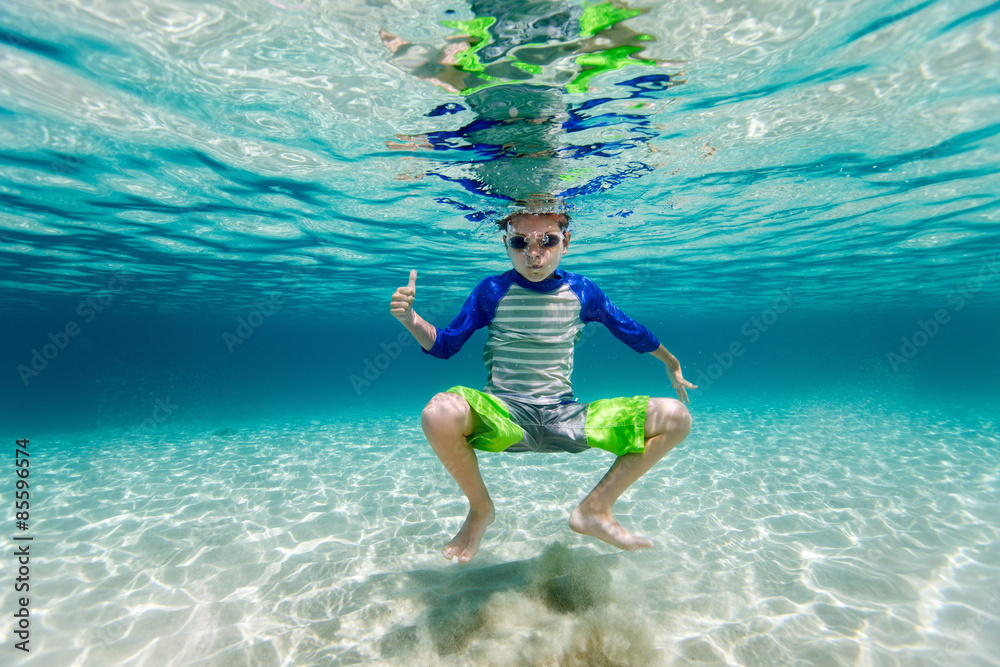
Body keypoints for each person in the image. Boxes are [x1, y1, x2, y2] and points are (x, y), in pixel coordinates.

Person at [389, 207, 695, 563]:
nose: (533, 254)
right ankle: (480, 509)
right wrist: (410, 319)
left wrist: (672, 365)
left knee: (677, 417)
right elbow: (444, 346)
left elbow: (633, 332)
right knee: (438, 413)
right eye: (521, 242)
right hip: (503, 415)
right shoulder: (491, 290)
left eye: (547, 241)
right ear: (506, 244)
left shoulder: (583, 291)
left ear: (566, 241)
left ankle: (595, 510)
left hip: (565, 417)